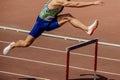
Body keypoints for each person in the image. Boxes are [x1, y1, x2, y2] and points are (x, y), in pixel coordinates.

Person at [3, 0, 103, 55]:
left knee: (68, 16)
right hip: (41, 24)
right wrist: (93, 3)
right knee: (26, 43)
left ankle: (87, 29)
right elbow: (75, 4)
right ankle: (13, 45)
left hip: (51, 21)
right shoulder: (57, 1)